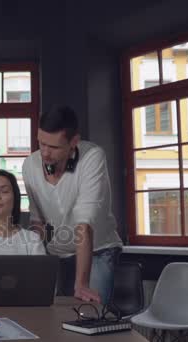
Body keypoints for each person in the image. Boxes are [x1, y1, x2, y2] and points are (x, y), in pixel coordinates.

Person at [22, 105, 122, 304]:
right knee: (55, 317)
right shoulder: (30, 165)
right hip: (56, 253)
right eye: (41, 143)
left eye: (54, 147)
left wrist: (82, 283)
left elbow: (84, 224)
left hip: (97, 251)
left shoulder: (92, 157)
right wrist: (33, 264)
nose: (45, 153)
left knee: (90, 313)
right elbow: (37, 221)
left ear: (74, 142)